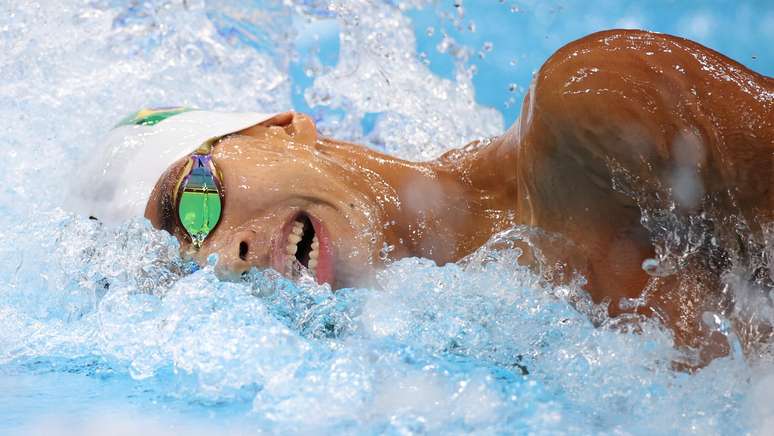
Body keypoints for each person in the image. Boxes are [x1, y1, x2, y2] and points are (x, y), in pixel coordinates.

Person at [77, 29, 773, 365]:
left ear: (281, 129)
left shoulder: (590, 110)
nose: (221, 258)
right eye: (186, 265)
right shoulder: (448, 360)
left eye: (195, 203)